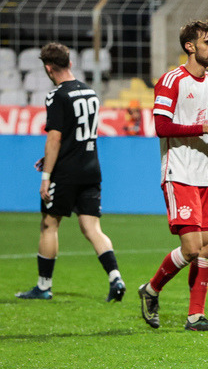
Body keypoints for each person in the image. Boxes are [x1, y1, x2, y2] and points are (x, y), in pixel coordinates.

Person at [138, 20, 208, 333]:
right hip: (181, 172)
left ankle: (195, 317)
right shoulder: (172, 80)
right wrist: (205, 127)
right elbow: (161, 127)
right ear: (190, 46)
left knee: (207, 248)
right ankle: (151, 290)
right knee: (190, 248)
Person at [16, 43, 126, 303]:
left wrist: (46, 176)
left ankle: (43, 286)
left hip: (66, 172)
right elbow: (78, 135)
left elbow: (54, 138)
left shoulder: (57, 96)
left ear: (48, 68)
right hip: (91, 168)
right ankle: (115, 277)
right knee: (91, 227)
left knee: (49, 223)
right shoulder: (90, 93)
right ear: (71, 63)